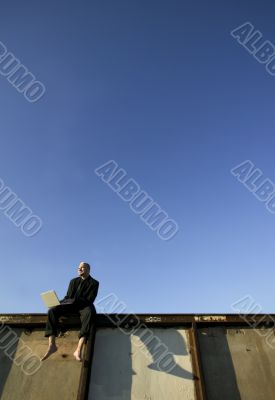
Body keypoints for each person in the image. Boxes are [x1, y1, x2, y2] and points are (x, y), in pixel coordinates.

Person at [41, 262, 99, 362]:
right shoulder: (73, 281)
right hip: (70, 305)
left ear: (88, 270)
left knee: (89, 313)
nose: (79, 269)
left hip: (84, 306)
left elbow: (90, 299)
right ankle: (52, 345)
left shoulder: (94, 283)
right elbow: (68, 296)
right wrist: (60, 302)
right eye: (78, 268)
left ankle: (78, 349)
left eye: (82, 268)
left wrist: (76, 300)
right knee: (52, 310)